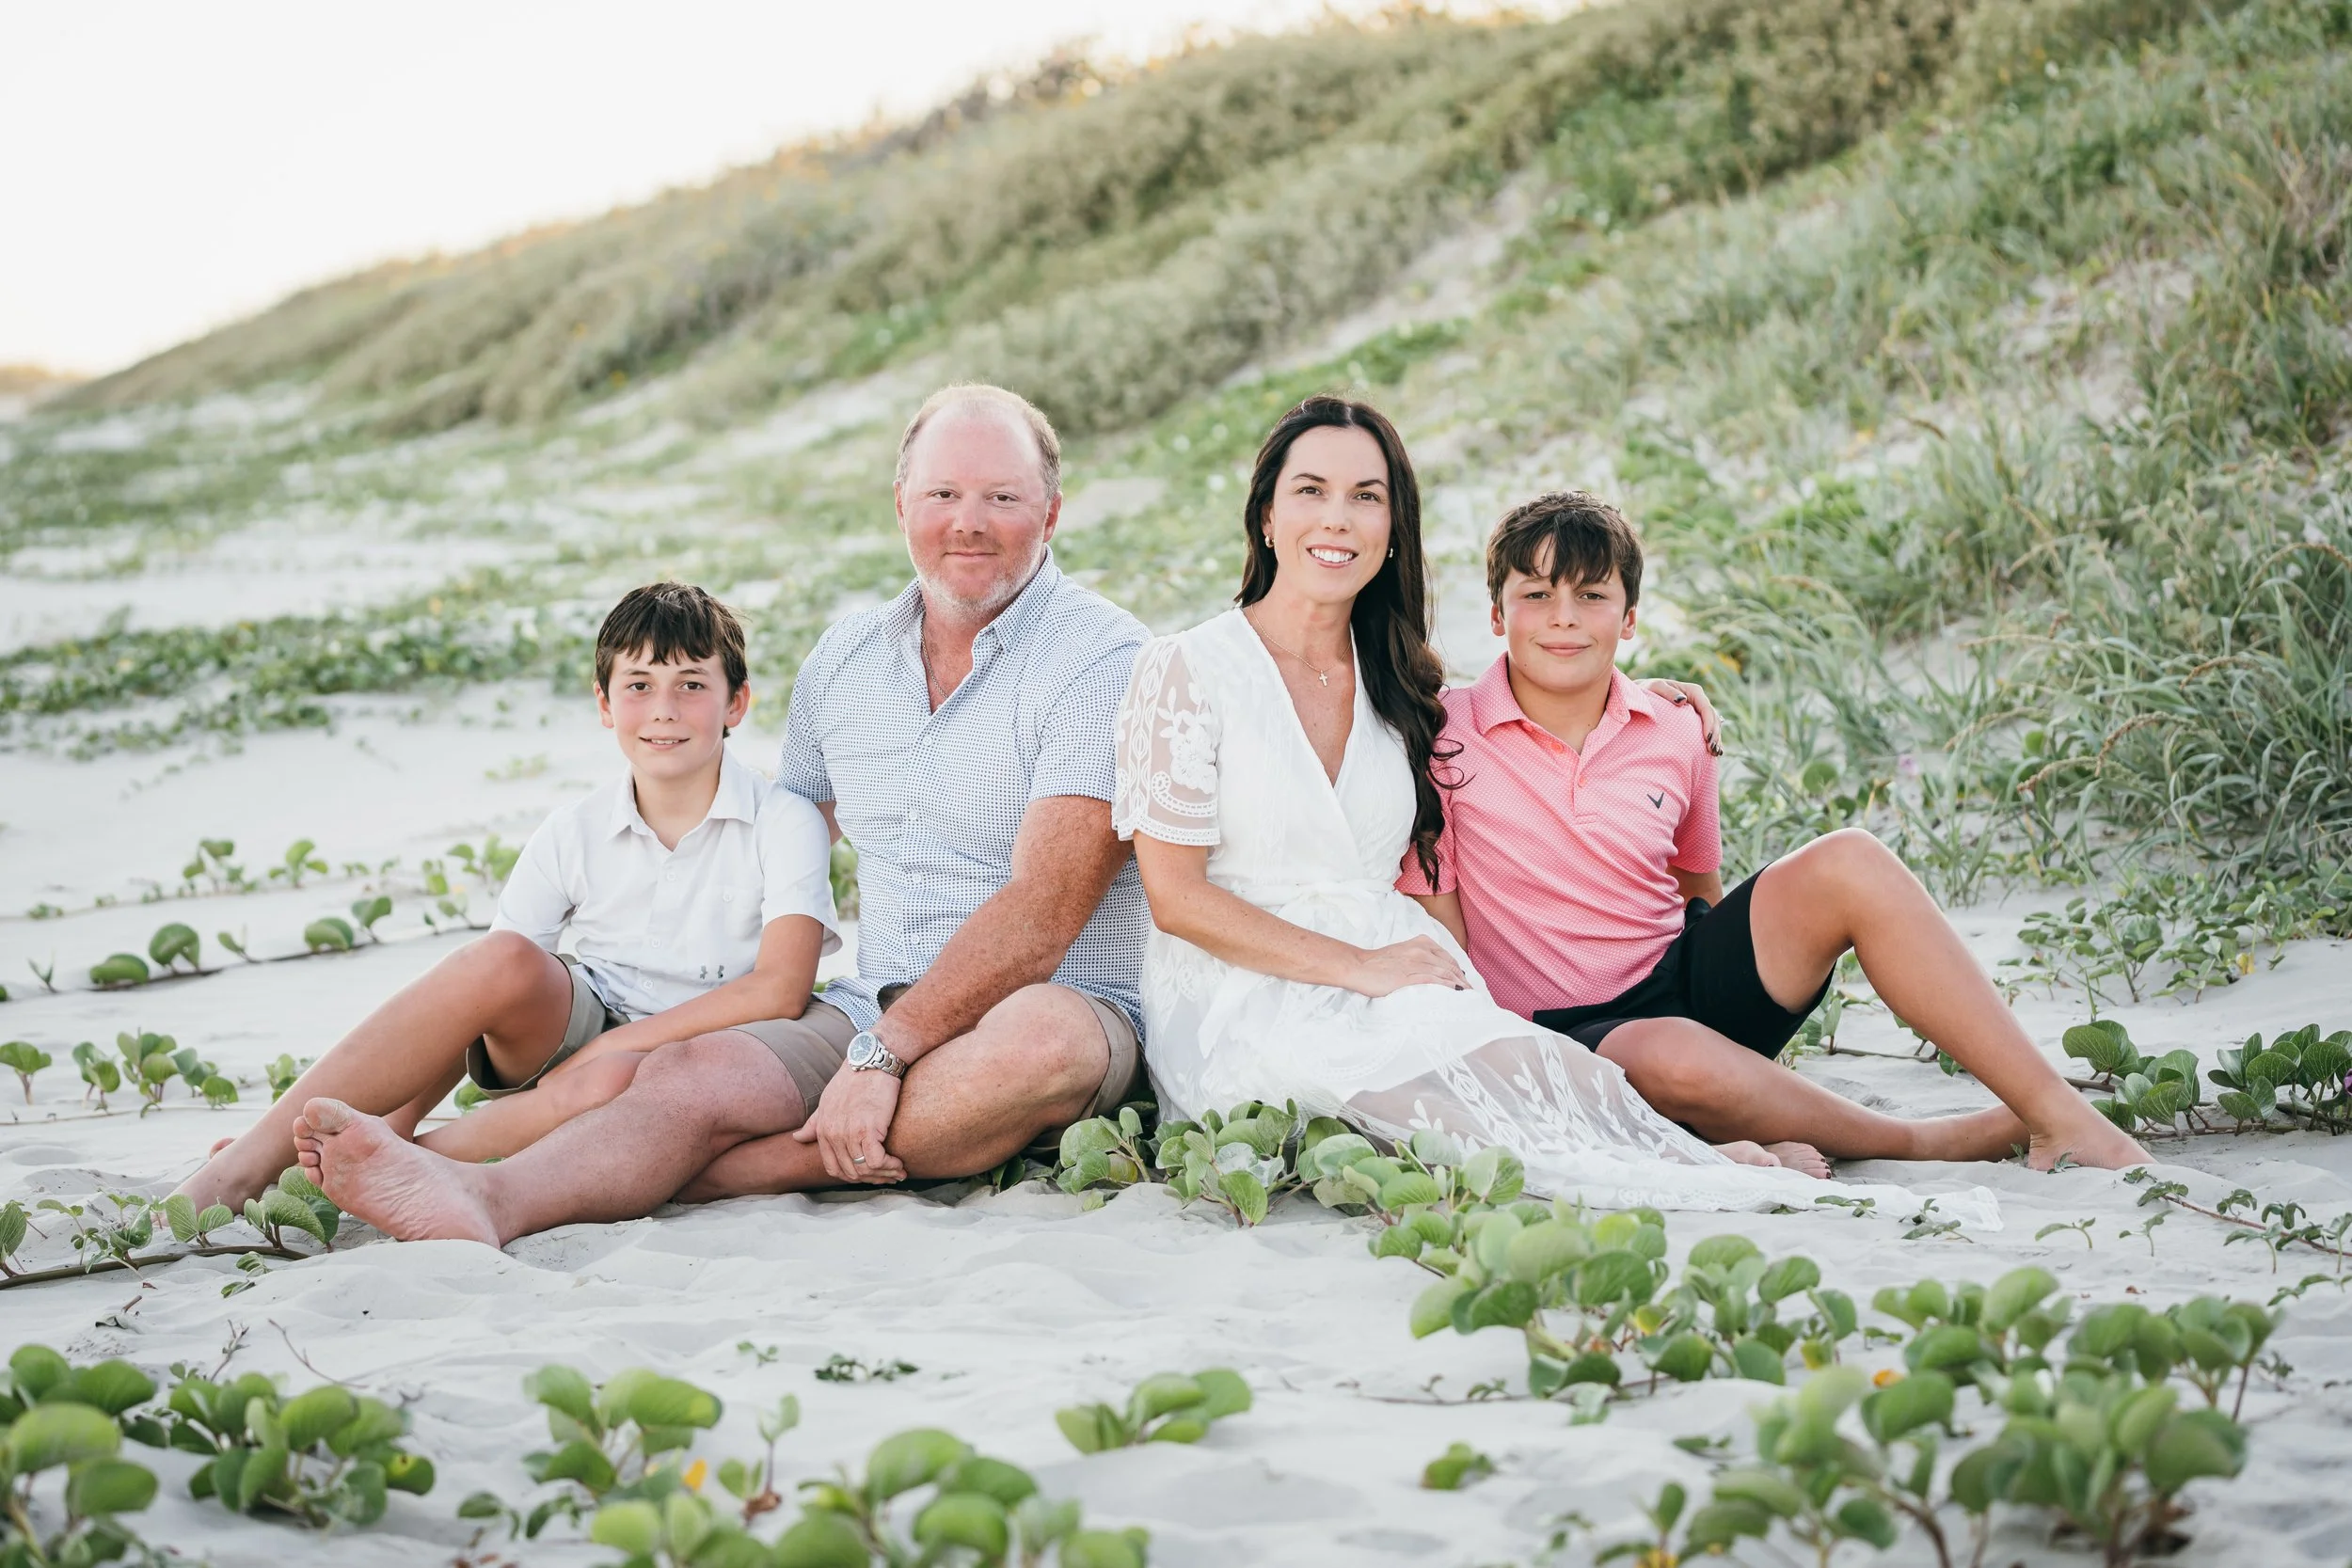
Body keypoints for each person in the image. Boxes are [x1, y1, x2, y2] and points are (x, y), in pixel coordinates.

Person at [294, 383, 1153, 1244]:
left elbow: (1044, 912)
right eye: (942, 494)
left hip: (1057, 998)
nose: (967, 520)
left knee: (1039, 1046)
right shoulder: (844, 661)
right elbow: (784, 839)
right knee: (695, 1073)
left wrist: (886, 1056)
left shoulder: (1101, 657)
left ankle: (759, 1164)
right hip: (864, 1004)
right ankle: (488, 1197)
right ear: (902, 506)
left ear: (1049, 516)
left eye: (1002, 496)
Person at [1114, 394, 1993, 1218]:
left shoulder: (1404, 688)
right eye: (1311, 491)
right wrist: (1360, 968)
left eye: (1366, 495)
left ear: (1392, 527)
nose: (1338, 517)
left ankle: (1704, 1145)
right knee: (1415, 1102)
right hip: (1243, 992)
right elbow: (1176, 899)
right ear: (1268, 517)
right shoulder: (1188, 668)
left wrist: (1652, 697)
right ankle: (1708, 1165)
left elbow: (1543, 688)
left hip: (1398, 970)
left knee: (1547, 1074)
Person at [1397, 490, 2148, 1172]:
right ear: (1498, 615)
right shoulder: (1443, 738)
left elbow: (1699, 891)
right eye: (1536, 594)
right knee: (1676, 1058)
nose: (1564, 616)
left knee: (1849, 859)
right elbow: (1444, 932)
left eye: (1591, 595)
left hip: (1677, 981)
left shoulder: (1675, 727)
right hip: (1562, 1034)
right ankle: (1921, 1139)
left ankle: (2057, 1115)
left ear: (1628, 620)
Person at [175, 582, 840, 1210]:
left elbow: (780, 989)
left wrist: (614, 1049)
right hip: (589, 1025)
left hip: (715, 1051)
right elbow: (470, 1003)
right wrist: (387, 1112)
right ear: (605, 705)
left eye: (691, 685)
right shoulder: (574, 829)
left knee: (610, 1080)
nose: (664, 708)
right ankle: (260, 1164)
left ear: (736, 704)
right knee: (497, 959)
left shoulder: (782, 820)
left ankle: (406, 1161)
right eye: (639, 685)